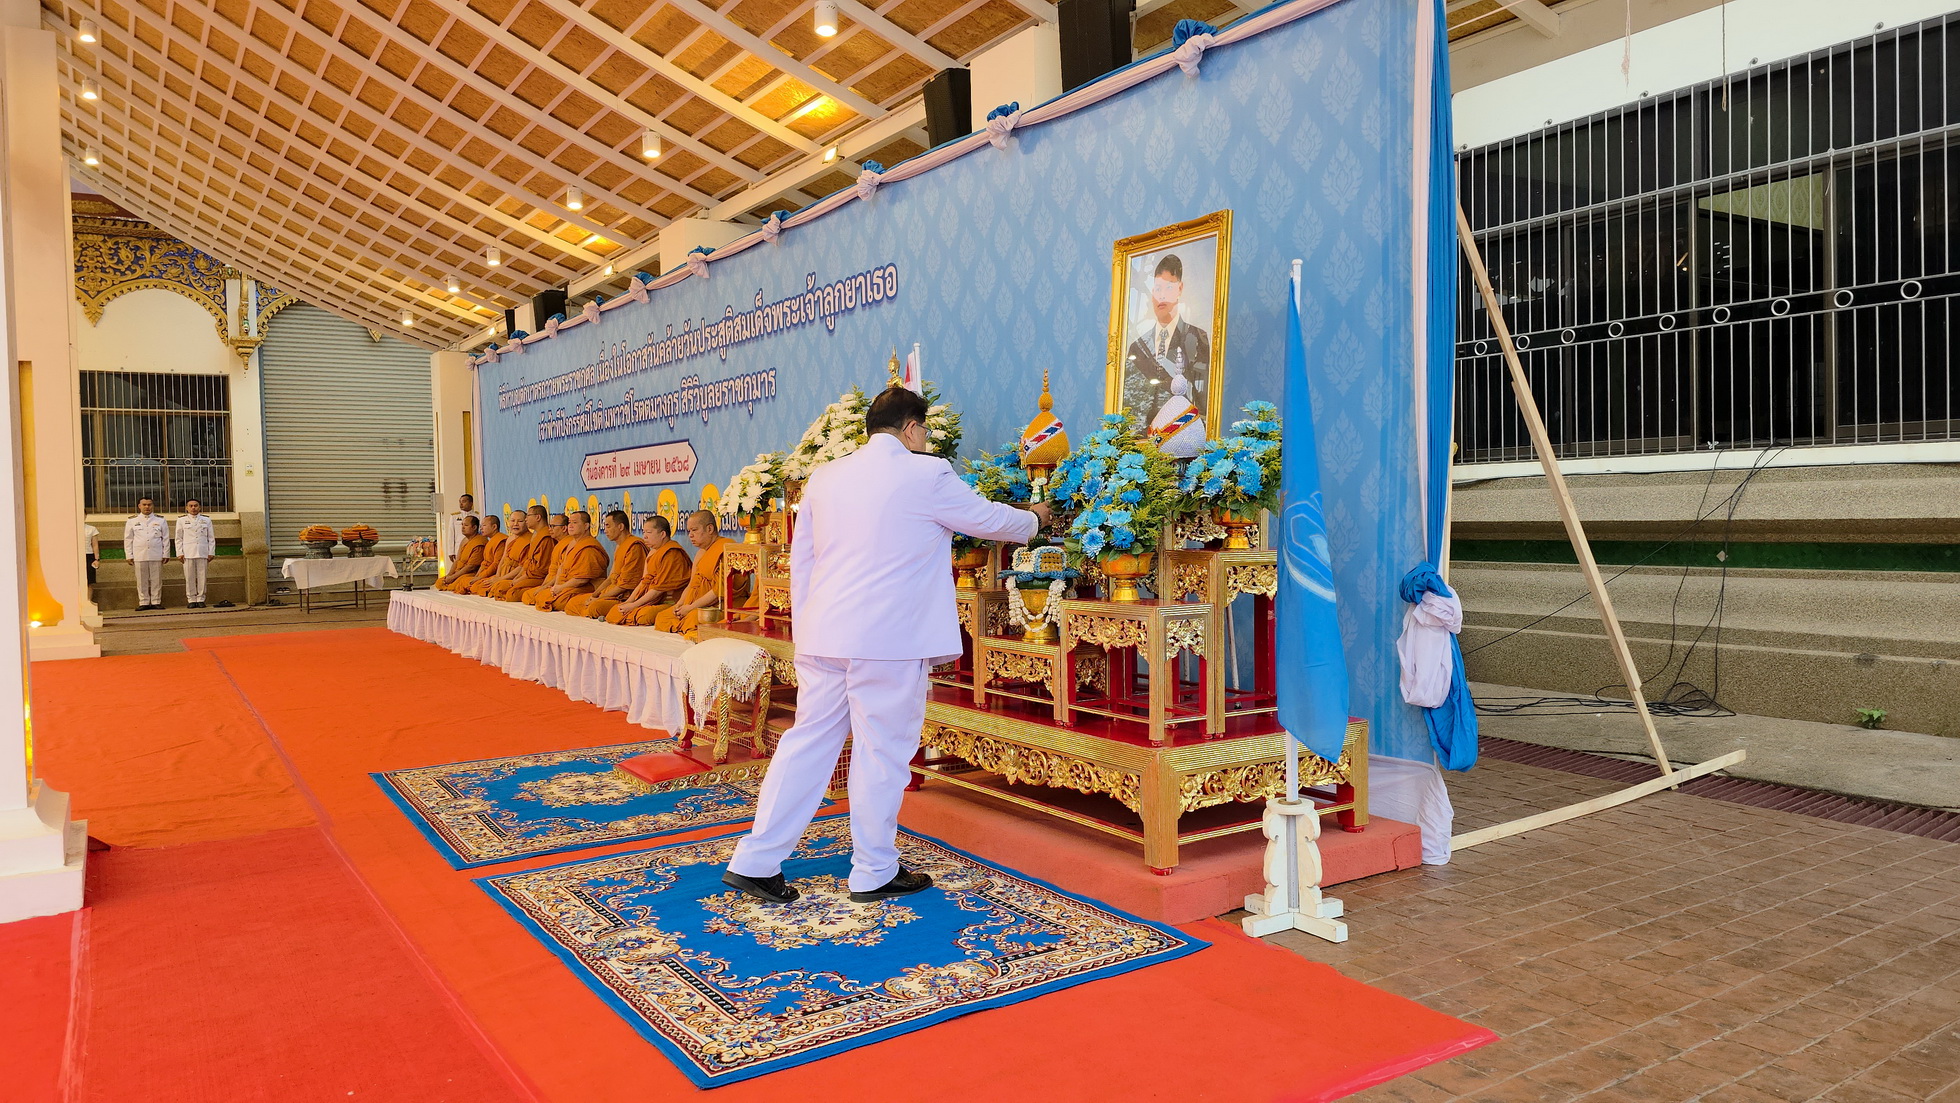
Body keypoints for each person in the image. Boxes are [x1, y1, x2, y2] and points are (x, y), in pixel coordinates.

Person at [724, 386, 1052, 904]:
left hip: (825, 635)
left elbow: (802, 560)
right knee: (881, 752)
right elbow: (989, 520)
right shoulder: (926, 473)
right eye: (924, 431)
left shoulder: (824, 477)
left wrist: (808, 630)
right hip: (889, 639)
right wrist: (1035, 518)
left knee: (806, 744)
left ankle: (754, 861)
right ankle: (874, 870)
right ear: (912, 428)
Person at [1122, 253, 1211, 426]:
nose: (1161, 296)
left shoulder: (1198, 339)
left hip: (1184, 432)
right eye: (1157, 288)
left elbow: (1202, 400)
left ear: (1180, 289)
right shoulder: (1136, 348)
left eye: (1169, 287)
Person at [652, 511, 744, 638]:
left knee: (693, 618)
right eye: (689, 531)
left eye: (694, 530)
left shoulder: (725, 549)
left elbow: (719, 592)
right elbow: (692, 583)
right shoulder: (701, 552)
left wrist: (690, 608)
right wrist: (680, 604)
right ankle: (685, 625)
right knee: (662, 617)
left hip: (718, 606)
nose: (690, 535)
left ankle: (687, 626)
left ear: (710, 529)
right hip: (694, 605)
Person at [603, 515, 693, 625]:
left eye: (649, 532)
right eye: (643, 532)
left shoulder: (672, 553)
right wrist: (629, 602)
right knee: (616, 611)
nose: (644, 536)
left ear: (662, 534)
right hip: (649, 599)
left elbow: (658, 589)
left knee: (643, 616)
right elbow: (644, 582)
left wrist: (634, 605)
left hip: (668, 601)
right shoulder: (652, 552)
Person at [566, 510, 646, 618]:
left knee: (595, 607)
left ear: (620, 527)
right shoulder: (619, 546)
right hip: (611, 592)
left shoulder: (634, 547)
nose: (605, 530)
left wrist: (599, 599)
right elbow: (611, 578)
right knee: (572, 603)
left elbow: (625, 585)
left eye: (608, 526)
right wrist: (595, 595)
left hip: (625, 596)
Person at [531, 511, 608, 611]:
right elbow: (562, 567)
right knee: (541, 595)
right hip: (567, 584)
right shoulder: (572, 543)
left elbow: (581, 579)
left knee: (560, 602)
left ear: (586, 526)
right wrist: (556, 586)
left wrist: (560, 588)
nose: (570, 526)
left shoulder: (589, 547)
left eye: (575, 523)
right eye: (569, 523)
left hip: (585, 586)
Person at [496, 508, 560, 601]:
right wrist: (517, 577)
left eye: (528, 516)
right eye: (512, 520)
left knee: (511, 593)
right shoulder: (537, 535)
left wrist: (519, 579)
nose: (526, 519)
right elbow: (528, 563)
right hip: (528, 574)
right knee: (499, 587)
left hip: (539, 577)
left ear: (538, 517)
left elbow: (540, 569)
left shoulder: (545, 537)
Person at [123, 498, 170, 611]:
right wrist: (129, 555)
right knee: (141, 580)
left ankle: (156, 601)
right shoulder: (132, 521)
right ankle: (143, 601)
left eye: (149, 505)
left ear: (152, 506)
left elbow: (166, 538)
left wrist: (166, 554)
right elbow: (128, 539)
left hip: (156, 553)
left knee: (156, 579)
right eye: (144, 504)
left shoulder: (160, 520)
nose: (147, 507)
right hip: (139, 554)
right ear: (139, 506)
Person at [469, 511, 530, 596]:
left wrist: (501, 579)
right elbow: (503, 559)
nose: (515, 524)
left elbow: (522, 567)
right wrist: (497, 576)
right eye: (512, 521)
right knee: (477, 586)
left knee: (499, 588)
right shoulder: (510, 539)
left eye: (520, 521)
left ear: (526, 522)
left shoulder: (530, 540)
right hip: (502, 574)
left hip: (515, 576)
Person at [174, 499, 216, 608]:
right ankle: (191, 599)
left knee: (202, 576)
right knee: (189, 577)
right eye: (191, 506)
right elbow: (178, 538)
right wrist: (179, 552)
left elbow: (211, 538)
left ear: (199, 507)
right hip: (188, 552)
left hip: (202, 551)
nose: (193, 508)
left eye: (196, 505)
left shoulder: (206, 520)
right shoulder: (181, 520)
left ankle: (201, 598)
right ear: (186, 508)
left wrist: (211, 552)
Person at [436, 515, 486, 592]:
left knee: (459, 584)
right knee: (439, 582)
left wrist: (453, 577)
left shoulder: (479, 542)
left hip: (470, 573)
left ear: (474, 527)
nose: (462, 527)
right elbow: (457, 560)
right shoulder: (464, 540)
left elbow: (471, 567)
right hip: (459, 572)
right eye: (462, 525)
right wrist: (449, 575)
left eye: (466, 525)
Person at [83, 521, 100, 591]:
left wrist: (97, 559)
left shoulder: (91, 529)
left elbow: (95, 545)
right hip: (74, 556)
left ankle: (89, 597)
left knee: (89, 581)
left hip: (88, 555)